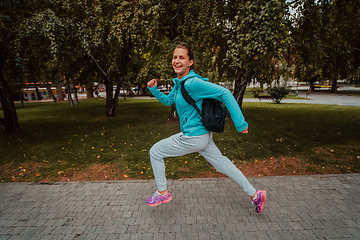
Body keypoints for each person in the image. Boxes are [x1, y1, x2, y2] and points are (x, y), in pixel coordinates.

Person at [145, 44, 266, 213]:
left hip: (193, 137)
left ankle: (162, 192)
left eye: (182, 57)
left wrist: (240, 124)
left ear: (190, 62)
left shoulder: (192, 83)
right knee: (224, 165)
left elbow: (225, 93)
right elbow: (168, 101)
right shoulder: (179, 83)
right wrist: (153, 89)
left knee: (155, 151)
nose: (177, 61)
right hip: (203, 137)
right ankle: (255, 195)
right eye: (175, 57)